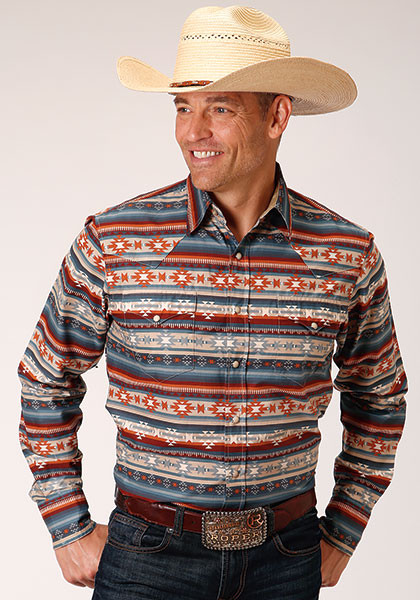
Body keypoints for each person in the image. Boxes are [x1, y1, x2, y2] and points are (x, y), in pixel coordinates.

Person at [18, 5, 407, 599]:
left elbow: (380, 395)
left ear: (277, 115)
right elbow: (45, 376)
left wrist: (345, 529)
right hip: (148, 558)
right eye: (183, 107)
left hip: (286, 560)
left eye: (219, 109)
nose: (192, 132)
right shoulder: (115, 241)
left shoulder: (346, 253)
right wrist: (66, 523)